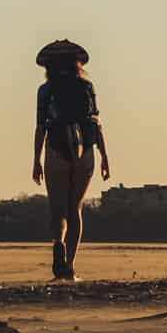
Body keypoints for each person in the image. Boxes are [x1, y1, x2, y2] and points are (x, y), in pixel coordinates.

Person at [31, 39, 110, 280]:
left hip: (56, 149)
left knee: (58, 209)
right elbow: (96, 122)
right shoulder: (87, 86)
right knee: (75, 208)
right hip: (84, 150)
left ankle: (58, 243)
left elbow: (40, 127)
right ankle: (70, 265)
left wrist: (36, 160)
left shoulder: (45, 90)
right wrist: (105, 156)